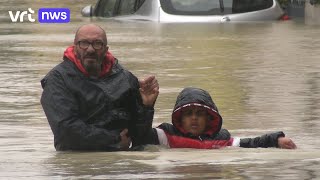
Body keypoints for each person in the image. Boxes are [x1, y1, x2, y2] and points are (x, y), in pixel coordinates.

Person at [40, 24, 159, 151]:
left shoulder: (125, 78)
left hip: (122, 162)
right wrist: (114, 140)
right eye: (84, 43)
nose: (90, 50)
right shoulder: (58, 80)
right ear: (75, 48)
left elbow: (140, 138)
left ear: (106, 49)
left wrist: (146, 107)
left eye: (97, 44)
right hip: (79, 163)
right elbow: (66, 131)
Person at [146, 87, 297, 149]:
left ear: (208, 118)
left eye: (199, 114)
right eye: (188, 114)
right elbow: (140, 134)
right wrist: (146, 107)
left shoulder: (222, 139)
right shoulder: (165, 135)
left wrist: (276, 140)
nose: (194, 118)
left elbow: (251, 143)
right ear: (180, 118)